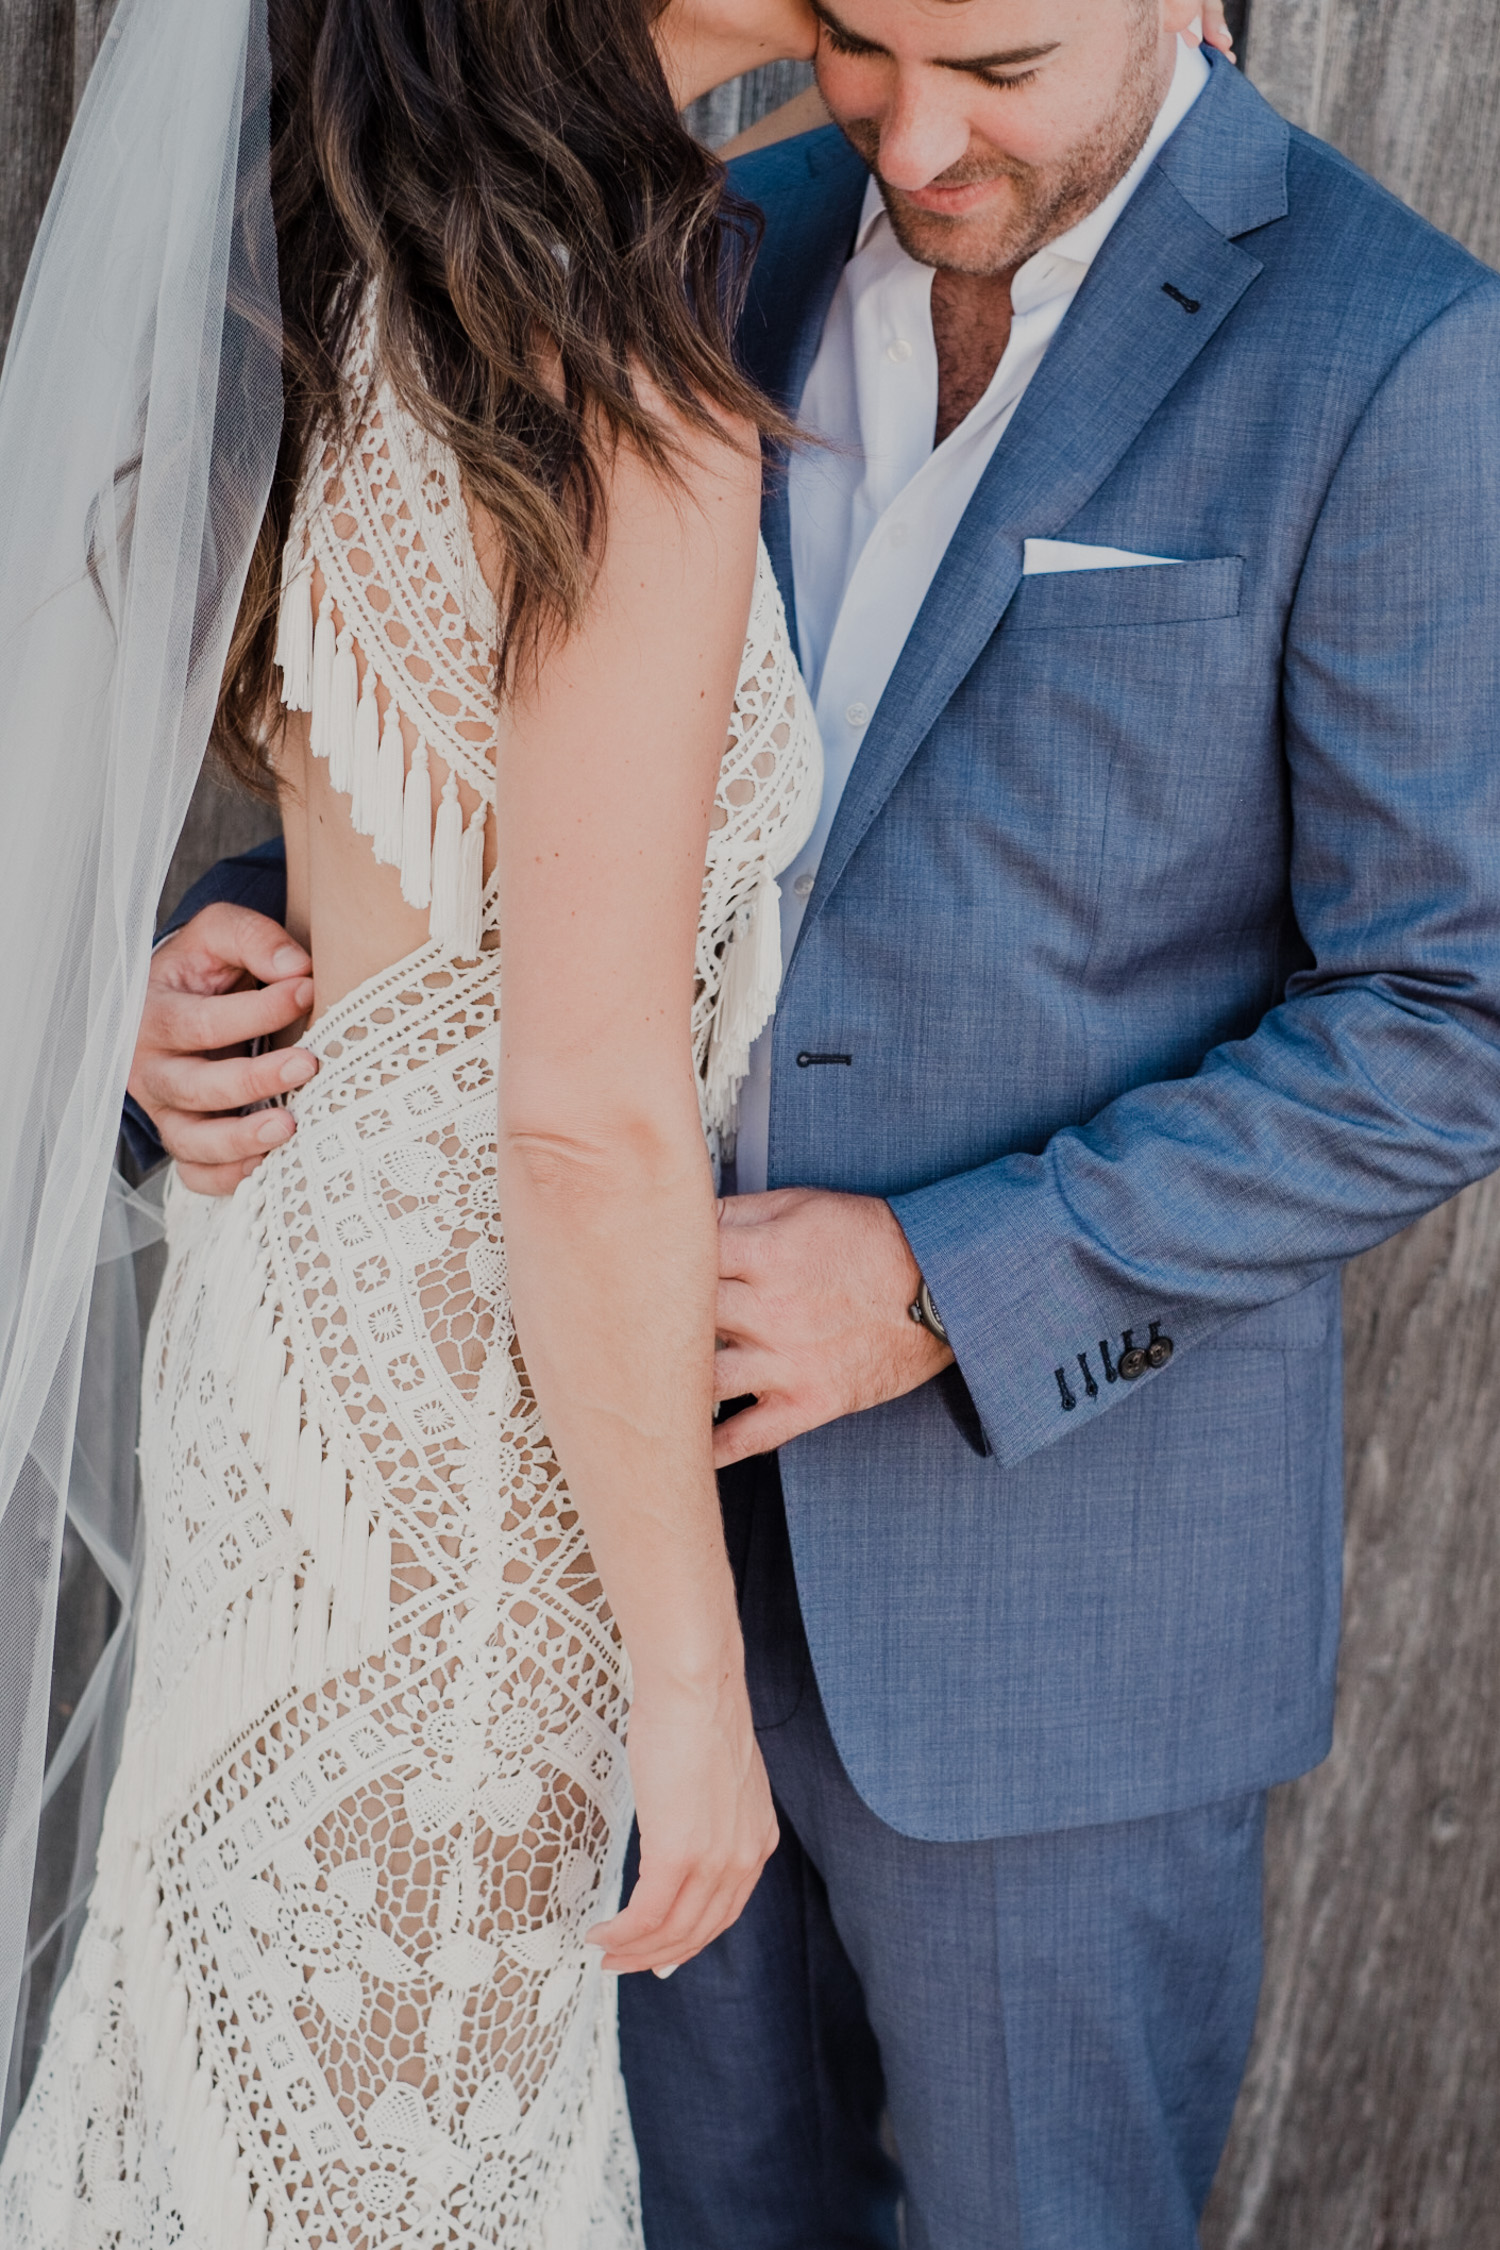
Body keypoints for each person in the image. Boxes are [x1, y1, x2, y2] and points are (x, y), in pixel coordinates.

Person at [119, 4, 1500, 2249]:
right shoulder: (684, 241)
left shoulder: (1394, 347)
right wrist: (214, 969)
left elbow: (1452, 1013)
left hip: (1048, 1614)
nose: (917, 136)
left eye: (1006, 63)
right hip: (574, 1556)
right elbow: (513, 785)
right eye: (864, 44)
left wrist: (944, 1286)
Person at [0, 1, 828, 2242]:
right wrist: (692, 1680)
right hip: (473, 1446)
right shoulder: (619, 367)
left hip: (285, 1352)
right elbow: (579, 1110)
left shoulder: (355, 280)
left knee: (232, 2088)